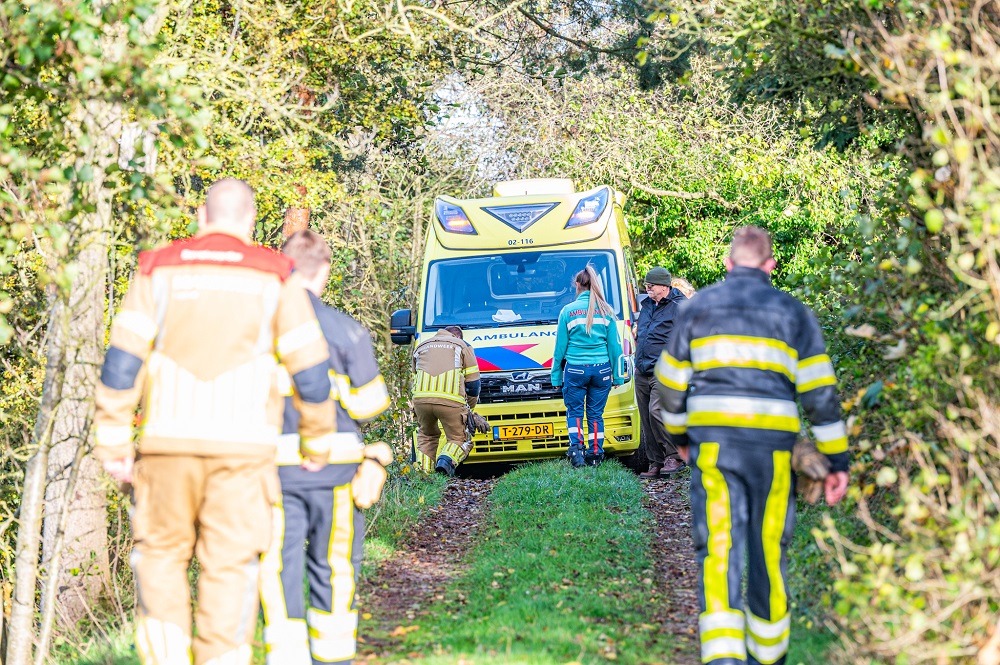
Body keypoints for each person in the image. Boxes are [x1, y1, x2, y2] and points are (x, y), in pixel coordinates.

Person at [93, 179, 337, 665]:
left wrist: (114, 441)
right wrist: (318, 444)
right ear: (248, 224)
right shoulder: (276, 276)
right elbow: (310, 372)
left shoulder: (157, 270)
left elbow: (122, 362)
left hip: (167, 447)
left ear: (203, 218)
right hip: (243, 454)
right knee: (230, 568)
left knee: (160, 560)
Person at [655, 226, 849, 665]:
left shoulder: (698, 307)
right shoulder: (792, 312)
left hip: (715, 448)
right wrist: (837, 461)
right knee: (767, 547)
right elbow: (820, 393)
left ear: (727, 264)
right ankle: (769, 656)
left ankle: (723, 658)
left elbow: (668, 382)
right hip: (773, 452)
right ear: (770, 266)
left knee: (720, 546)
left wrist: (683, 437)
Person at [259, 230, 392, 665]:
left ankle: (285, 657)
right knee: (333, 564)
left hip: (274, 469)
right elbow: (371, 404)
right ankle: (332, 658)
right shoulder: (345, 329)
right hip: (336, 469)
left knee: (278, 565)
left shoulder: (259, 327)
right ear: (325, 271)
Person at [551, 265, 625, 468]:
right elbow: (615, 348)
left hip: (575, 370)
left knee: (574, 412)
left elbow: (560, 349)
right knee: (595, 414)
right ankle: (595, 454)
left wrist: (556, 377)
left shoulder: (567, 311)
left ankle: (577, 452)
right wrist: (618, 377)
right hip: (601, 370)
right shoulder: (607, 311)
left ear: (577, 285)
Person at [634, 266, 688, 478]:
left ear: (664, 287)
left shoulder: (679, 306)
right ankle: (655, 462)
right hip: (643, 368)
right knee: (646, 417)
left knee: (657, 411)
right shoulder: (646, 305)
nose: (647, 288)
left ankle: (674, 457)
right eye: (646, 284)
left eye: (652, 285)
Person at [412, 325, 481, 476]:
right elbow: (473, 385)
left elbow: (415, 377)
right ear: (457, 337)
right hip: (451, 401)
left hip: (421, 401)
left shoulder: (421, 346)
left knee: (426, 436)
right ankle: (445, 462)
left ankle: (424, 475)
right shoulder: (463, 346)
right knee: (460, 439)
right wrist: (470, 410)